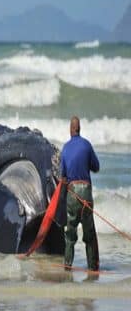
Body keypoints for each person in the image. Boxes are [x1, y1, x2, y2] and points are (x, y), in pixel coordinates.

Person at [60, 116, 100, 271]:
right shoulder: (87, 145)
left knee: (70, 234)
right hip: (86, 193)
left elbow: (63, 177)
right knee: (89, 234)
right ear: (80, 129)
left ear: (71, 130)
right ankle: (92, 268)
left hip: (72, 194)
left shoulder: (65, 148)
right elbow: (96, 167)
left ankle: (67, 266)